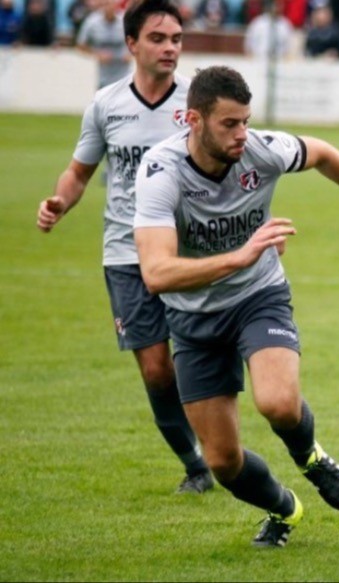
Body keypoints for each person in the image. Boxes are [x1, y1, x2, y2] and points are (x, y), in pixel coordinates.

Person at [132, 65, 339, 546]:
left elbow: (324, 153)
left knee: (279, 403)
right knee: (223, 462)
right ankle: (284, 509)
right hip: (193, 317)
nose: (242, 133)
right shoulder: (162, 172)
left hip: (257, 297)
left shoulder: (261, 149)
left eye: (245, 121)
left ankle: (309, 456)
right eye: (229, 124)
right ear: (194, 120)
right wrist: (239, 256)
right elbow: (156, 273)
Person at [36, 0, 214, 495]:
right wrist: (60, 202)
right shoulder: (106, 104)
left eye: (176, 39)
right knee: (156, 368)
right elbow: (79, 173)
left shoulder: (197, 104)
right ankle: (195, 464)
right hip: (126, 253)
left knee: (201, 361)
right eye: (158, 38)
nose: (170, 48)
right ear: (131, 43)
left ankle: (224, 449)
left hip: (190, 251)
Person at [76, 0, 131, 89]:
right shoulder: (92, 22)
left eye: (111, 4)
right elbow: (80, 45)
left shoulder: (125, 20)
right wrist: (97, 54)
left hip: (124, 75)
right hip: (103, 77)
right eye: (106, 4)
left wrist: (131, 53)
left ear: (116, 5)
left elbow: (138, 39)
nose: (109, 8)